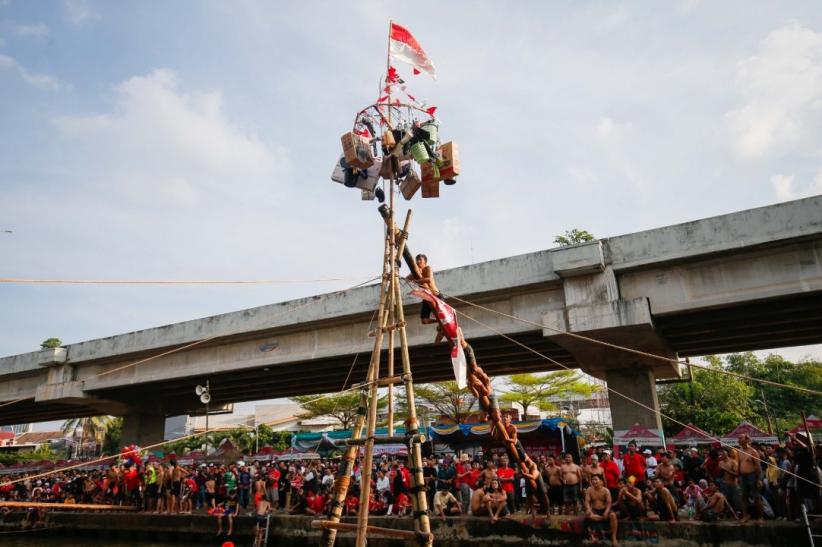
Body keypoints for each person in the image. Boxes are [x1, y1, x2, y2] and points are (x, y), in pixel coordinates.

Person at [584, 475, 619, 546]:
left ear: (601, 482)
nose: (593, 481)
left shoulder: (606, 490)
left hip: (604, 509)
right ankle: (592, 537)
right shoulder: (589, 490)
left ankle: (614, 537)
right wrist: (589, 510)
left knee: (613, 515)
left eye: (595, 479)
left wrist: (606, 511)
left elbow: (609, 503)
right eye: (592, 480)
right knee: (587, 515)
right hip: (594, 509)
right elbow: (587, 502)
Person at [736, 434, 764, 523]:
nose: (738, 440)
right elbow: (739, 464)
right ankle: (746, 515)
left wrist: (759, 479)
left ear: (747, 440)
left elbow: (758, 466)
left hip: (752, 475)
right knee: (743, 497)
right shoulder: (739, 451)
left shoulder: (753, 451)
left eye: (741, 438)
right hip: (743, 476)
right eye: (738, 438)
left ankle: (761, 517)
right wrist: (738, 476)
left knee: (756, 496)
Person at [406, 254, 440, 324]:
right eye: (417, 260)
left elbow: (429, 279)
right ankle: (438, 321)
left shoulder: (428, 268)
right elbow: (407, 279)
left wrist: (417, 281)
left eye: (420, 260)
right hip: (426, 297)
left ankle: (440, 320)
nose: (418, 262)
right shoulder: (416, 272)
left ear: (425, 262)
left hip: (436, 295)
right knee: (424, 321)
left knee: (442, 316)